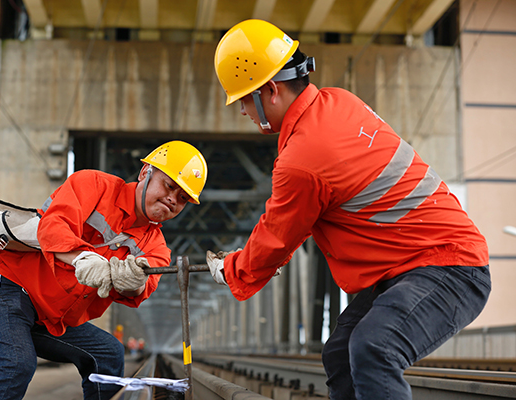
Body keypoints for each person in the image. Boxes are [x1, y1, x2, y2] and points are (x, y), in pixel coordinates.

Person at [207, 19, 491, 400]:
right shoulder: (338, 101)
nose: (242, 110)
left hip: (450, 267)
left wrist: (232, 270)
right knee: (340, 353)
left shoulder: (302, 159)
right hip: (411, 265)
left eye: (243, 99)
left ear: (270, 90)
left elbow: (276, 237)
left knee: (374, 348)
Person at [0, 140, 207, 400]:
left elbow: (144, 288)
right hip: (1, 283)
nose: (172, 199)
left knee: (108, 353)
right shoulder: (94, 186)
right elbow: (53, 226)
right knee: (16, 363)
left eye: (183, 198)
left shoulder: (156, 246)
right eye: (169, 186)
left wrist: (133, 283)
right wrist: (82, 259)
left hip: (44, 312)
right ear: (145, 172)